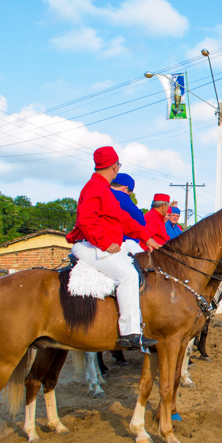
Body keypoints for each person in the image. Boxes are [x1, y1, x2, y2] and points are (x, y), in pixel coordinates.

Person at [66, 146, 161, 350]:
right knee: (128, 276)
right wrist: (105, 243)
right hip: (90, 245)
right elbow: (87, 219)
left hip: (97, 244)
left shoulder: (104, 189)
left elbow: (123, 219)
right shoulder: (95, 187)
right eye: (118, 164)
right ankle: (129, 333)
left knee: (133, 267)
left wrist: (147, 237)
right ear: (114, 166)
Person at [110, 172, 145, 254]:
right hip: (113, 244)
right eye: (129, 194)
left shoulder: (101, 191)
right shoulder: (120, 195)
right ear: (125, 188)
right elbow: (140, 219)